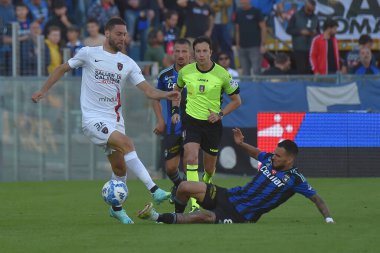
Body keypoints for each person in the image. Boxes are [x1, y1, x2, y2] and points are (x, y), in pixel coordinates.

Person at [31, 18, 180, 224]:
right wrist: (43, 90)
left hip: (115, 120)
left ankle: (116, 209)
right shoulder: (89, 53)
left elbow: (148, 90)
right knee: (128, 143)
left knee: (120, 169)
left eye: (125, 34)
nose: (123, 38)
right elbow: (62, 69)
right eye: (119, 34)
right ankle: (155, 190)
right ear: (107, 33)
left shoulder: (127, 63)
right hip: (93, 119)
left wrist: (166, 95)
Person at [137, 128, 335, 224]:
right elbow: (256, 152)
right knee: (185, 186)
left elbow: (317, 199)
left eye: (278, 155)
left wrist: (328, 219)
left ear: (289, 161)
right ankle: (176, 216)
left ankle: (157, 217)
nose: (273, 156)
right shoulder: (269, 159)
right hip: (230, 195)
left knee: (202, 216)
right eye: (274, 153)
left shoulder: (296, 179)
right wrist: (240, 144)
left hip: (241, 214)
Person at [171, 36, 241, 211]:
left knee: (209, 168)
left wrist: (220, 114)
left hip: (212, 125)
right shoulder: (185, 72)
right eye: (198, 51)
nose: (201, 55)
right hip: (191, 121)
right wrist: (175, 111)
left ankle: (206, 182)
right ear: (194, 54)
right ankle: (195, 203)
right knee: (191, 156)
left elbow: (236, 100)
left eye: (205, 51)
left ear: (211, 52)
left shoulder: (222, 74)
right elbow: (176, 90)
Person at [152, 38, 192, 201]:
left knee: (190, 164)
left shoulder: (198, 74)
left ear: (190, 54)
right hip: (172, 128)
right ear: (172, 53)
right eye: (177, 51)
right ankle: (180, 186)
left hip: (192, 127)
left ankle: (191, 199)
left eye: (184, 51)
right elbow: (154, 98)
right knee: (170, 168)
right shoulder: (165, 75)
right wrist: (161, 120)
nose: (181, 55)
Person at [286, 0, 319, 74]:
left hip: (311, 48)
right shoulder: (296, 15)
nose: (311, 12)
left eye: (312, 10)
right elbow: (289, 30)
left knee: (311, 70)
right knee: (301, 70)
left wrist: (315, 33)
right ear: (306, 7)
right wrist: (300, 32)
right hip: (299, 48)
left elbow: (318, 32)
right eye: (309, 10)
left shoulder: (315, 17)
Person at [235, 0, 267, 76]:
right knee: (245, 72)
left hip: (255, 46)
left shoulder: (256, 12)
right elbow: (237, 29)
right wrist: (237, 43)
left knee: (256, 70)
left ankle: (258, 87)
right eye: (241, 2)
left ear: (249, 1)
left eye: (244, 2)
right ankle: (247, 87)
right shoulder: (239, 12)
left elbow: (263, 28)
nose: (243, 3)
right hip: (242, 46)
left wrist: (262, 44)